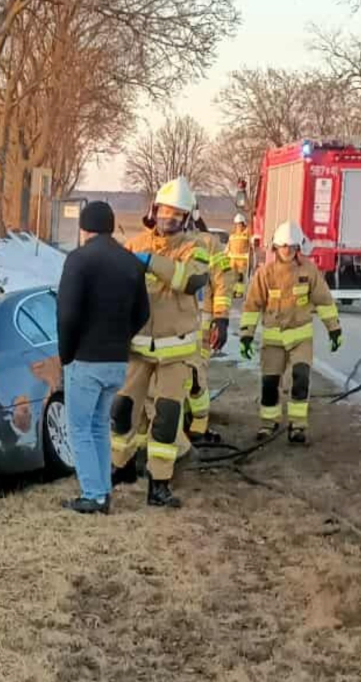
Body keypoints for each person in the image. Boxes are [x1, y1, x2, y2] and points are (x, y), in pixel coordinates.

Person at [108, 177, 219, 509]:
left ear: (186, 218)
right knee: (123, 410)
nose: (168, 219)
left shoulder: (195, 248)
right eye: (164, 211)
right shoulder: (135, 244)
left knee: (167, 416)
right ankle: (121, 467)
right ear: (153, 211)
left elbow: (191, 280)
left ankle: (159, 482)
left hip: (176, 350)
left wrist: (150, 262)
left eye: (175, 214)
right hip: (137, 347)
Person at [56, 200, 150, 514]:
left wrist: (66, 353)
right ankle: (103, 490)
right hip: (117, 361)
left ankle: (94, 495)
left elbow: (67, 314)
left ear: (85, 229)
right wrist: (121, 339)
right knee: (98, 426)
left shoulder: (79, 261)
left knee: (79, 428)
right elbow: (143, 312)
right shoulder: (131, 263)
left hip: (85, 359)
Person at [238, 221, 342, 444]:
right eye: (283, 247)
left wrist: (334, 329)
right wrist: (246, 335)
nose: (287, 251)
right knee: (269, 383)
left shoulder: (308, 271)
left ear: (298, 247)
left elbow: (323, 301)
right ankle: (268, 423)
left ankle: (297, 426)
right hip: (273, 340)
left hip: (300, 338)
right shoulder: (265, 274)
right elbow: (252, 305)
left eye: (292, 247)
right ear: (275, 248)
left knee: (300, 378)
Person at [184, 212, 233, 444]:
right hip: (169, 323)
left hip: (200, 323)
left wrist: (221, 319)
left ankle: (198, 425)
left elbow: (223, 281)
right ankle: (182, 420)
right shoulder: (161, 240)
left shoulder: (209, 243)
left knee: (195, 374)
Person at [228, 214, 252, 298]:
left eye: (240, 224)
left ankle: (239, 292)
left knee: (240, 278)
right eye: (237, 224)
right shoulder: (232, 236)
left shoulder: (246, 235)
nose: (238, 226)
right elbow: (228, 248)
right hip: (233, 261)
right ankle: (233, 291)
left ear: (243, 224)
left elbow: (251, 246)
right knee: (233, 278)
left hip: (242, 262)